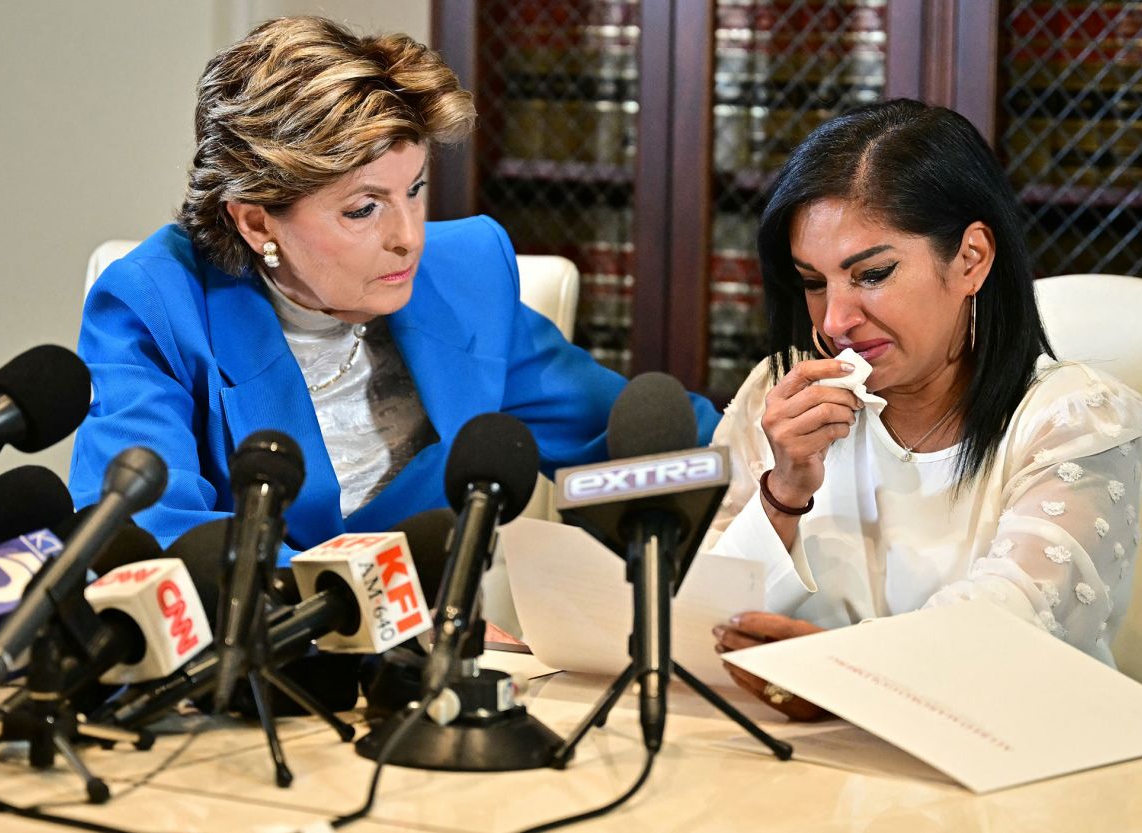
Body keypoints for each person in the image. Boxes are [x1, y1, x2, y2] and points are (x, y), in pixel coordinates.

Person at [69, 17, 718, 563]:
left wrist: (776, 463)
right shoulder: (156, 305)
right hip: (239, 682)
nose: (409, 237)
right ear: (257, 220)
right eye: (363, 209)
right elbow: (148, 542)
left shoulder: (462, 279)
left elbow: (638, 447)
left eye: (414, 191)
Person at [703, 99, 1142, 720]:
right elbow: (697, 626)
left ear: (971, 259)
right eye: (813, 282)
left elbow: (1006, 636)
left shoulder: (1076, 420)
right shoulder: (781, 396)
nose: (835, 321)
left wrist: (843, 679)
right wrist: (782, 492)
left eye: (873, 274)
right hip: (809, 766)